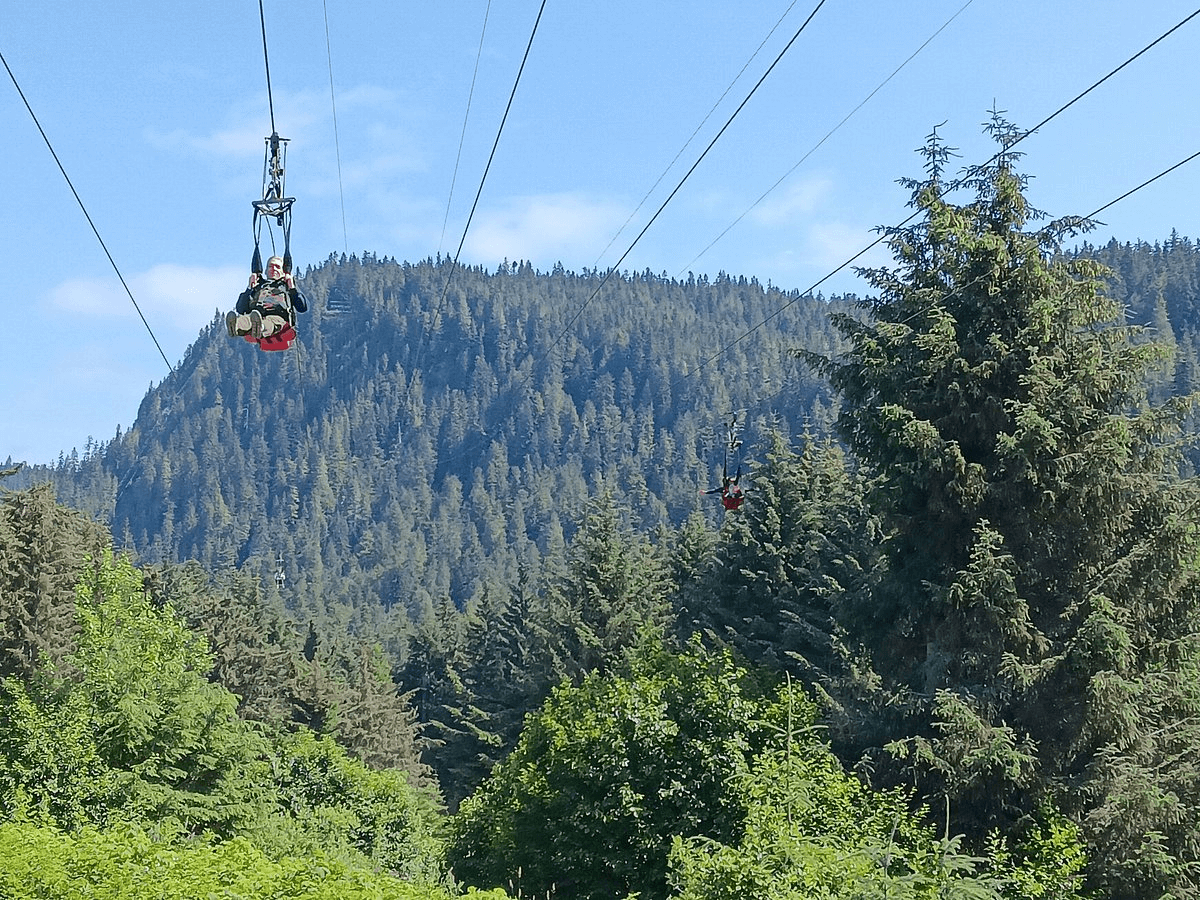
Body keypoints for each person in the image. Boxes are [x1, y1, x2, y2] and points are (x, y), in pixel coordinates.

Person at [225, 255, 308, 341]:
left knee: (270, 322)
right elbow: (241, 309)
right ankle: (236, 326)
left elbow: (302, 308)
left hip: (278, 317)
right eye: (271, 266)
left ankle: (260, 328)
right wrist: (249, 287)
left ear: (283, 272)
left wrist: (292, 287)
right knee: (246, 319)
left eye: (277, 267)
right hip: (256, 314)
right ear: (266, 271)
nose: (274, 269)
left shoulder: (286, 287)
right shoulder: (259, 286)